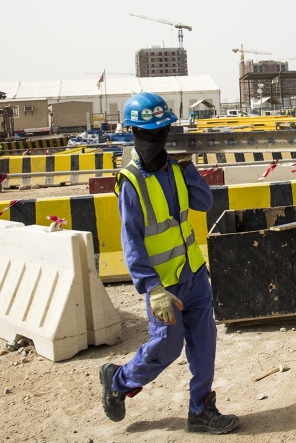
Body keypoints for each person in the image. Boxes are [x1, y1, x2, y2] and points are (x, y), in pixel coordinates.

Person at [100, 92, 238, 435]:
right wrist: (152, 287)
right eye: (149, 133)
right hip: (164, 285)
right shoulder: (131, 183)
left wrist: (189, 168)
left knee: (204, 345)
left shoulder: (176, 168)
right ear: (134, 133)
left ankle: (200, 409)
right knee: (166, 347)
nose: (156, 139)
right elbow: (131, 241)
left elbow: (203, 202)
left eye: (162, 132)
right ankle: (118, 380)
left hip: (194, 275)